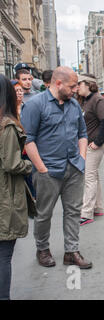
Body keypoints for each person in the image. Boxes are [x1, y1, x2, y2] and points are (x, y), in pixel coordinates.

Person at [21, 66, 92, 269]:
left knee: (73, 211)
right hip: (48, 171)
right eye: (72, 86)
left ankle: (71, 251)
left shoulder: (74, 106)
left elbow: (82, 134)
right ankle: (42, 249)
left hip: (73, 168)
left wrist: (82, 159)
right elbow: (28, 139)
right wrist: (41, 168)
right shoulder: (35, 105)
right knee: (44, 213)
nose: (76, 90)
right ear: (58, 83)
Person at [0, 74, 33, 300]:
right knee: (3, 253)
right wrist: (28, 165)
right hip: (5, 196)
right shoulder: (7, 125)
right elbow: (12, 164)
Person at [77, 74, 104, 226]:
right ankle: (97, 207)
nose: (77, 87)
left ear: (88, 84)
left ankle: (86, 213)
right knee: (93, 176)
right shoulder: (85, 100)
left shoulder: (98, 99)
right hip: (88, 144)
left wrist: (97, 142)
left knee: (89, 178)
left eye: (79, 84)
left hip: (94, 145)